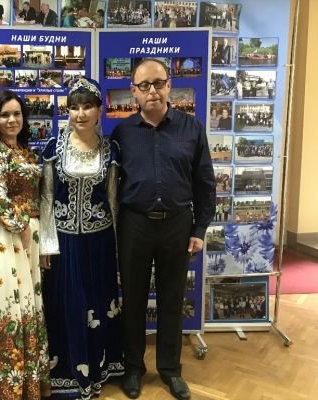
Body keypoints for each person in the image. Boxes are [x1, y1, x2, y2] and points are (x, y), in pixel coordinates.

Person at [111, 59, 216, 400]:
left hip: (178, 226)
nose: (152, 91)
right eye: (144, 85)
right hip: (135, 225)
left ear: (170, 85)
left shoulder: (191, 128)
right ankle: (133, 368)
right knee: (134, 300)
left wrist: (199, 229)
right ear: (134, 91)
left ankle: (170, 370)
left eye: (158, 83)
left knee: (172, 300)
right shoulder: (122, 132)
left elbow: (205, 183)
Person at [40, 78, 124, 399]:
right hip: (64, 245)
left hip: (99, 244)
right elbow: (46, 198)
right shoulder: (54, 148)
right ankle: (66, 373)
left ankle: (98, 368)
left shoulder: (110, 150)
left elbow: (114, 201)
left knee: (97, 305)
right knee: (66, 304)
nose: (80, 114)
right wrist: (46, 245)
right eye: (74, 107)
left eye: (88, 106)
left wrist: (117, 252)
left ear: (100, 110)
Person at [0, 90, 51, 399]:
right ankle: (6, 385)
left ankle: (27, 382)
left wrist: (38, 237)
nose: (11, 120)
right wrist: (21, 226)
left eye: (17, 114)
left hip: (29, 235)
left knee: (28, 304)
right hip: (6, 236)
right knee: (9, 305)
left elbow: (38, 198)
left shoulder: (27, 152)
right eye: (5, 114)